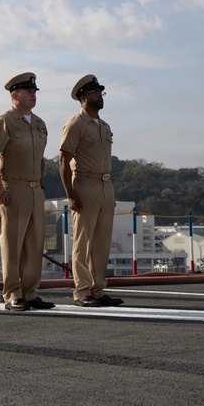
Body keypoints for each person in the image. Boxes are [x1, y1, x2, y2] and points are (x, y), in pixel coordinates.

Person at [0, 72, 54, 311]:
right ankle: (13, 294)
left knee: (35, 244)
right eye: (28, 92)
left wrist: (42, 187)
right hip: (12, 187)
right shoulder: (4, 121)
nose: (33, 95)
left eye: (35, 91)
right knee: (13, 243)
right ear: (15, 96)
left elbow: (41, 159)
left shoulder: (39, 123)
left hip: (35, 188)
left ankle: (30, 292)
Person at [58, 74, 124, 307]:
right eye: (96, 93)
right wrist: (70, 194)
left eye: (101, 93)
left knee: (102, 241)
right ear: (84, 97)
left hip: (106, 186)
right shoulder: (75, 124)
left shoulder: (104, 126)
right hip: (85, 184)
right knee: (83, 241)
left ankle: (97, 288)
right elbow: (64, 160)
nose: (100, 96)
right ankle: (82, 290)